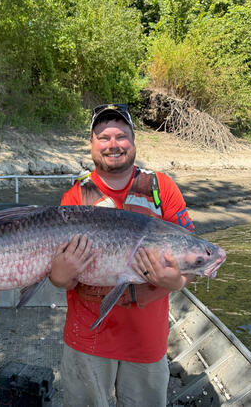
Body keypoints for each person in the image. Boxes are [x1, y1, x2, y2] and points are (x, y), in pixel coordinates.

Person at [50, 104, 196, 407]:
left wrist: (177, 281)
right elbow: (59, 277)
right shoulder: (74, 196)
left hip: (146, 344)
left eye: (121, 136)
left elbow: (192, 256)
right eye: (103, 137)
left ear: (133, 141)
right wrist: (59, 276)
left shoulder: (163, 188)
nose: (113, 145)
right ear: (92, 143)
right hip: (87, 341)